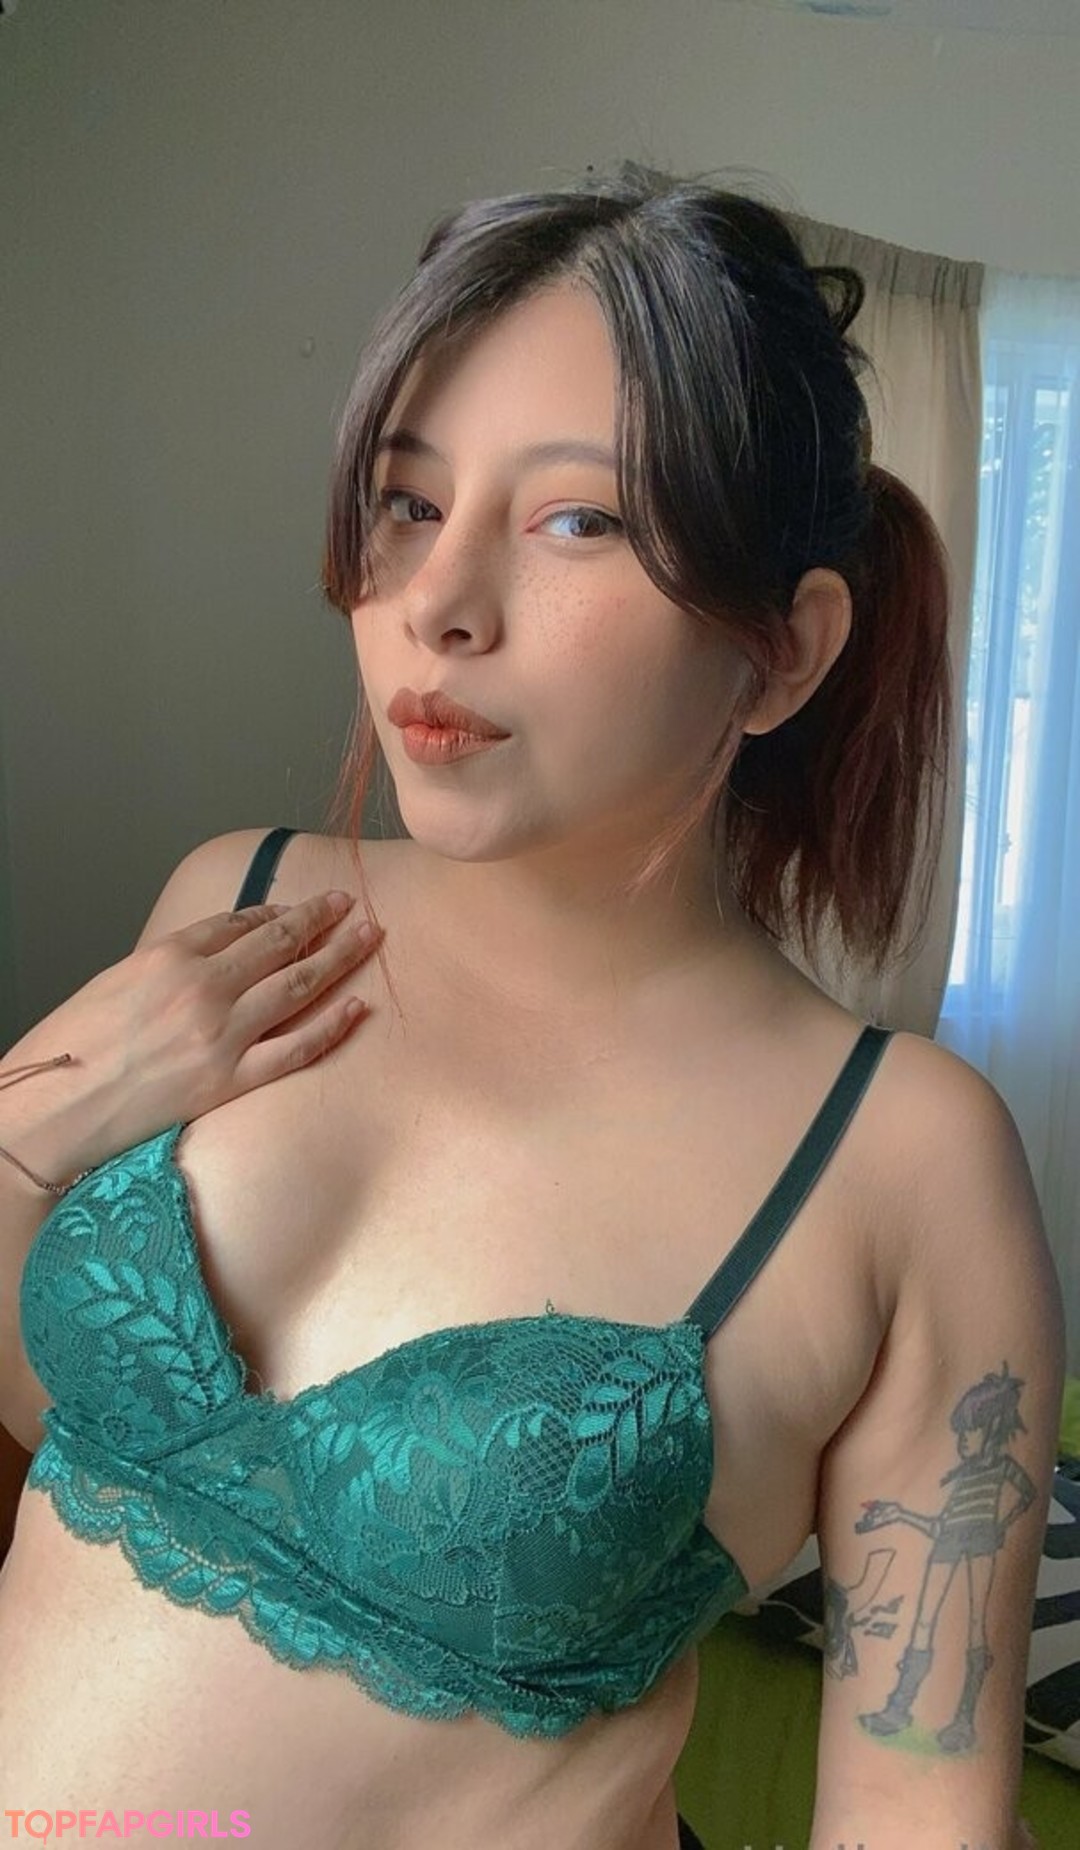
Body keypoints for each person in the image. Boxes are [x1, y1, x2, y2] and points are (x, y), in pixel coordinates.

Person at [0, 162, 1062, 1850]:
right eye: (409, 501)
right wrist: (32, 1119)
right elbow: (75, 1439)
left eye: (580, 520)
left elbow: (919, 1806)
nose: (439, 601)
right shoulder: (236, 905)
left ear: (785, 652)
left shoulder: (901, 1161)